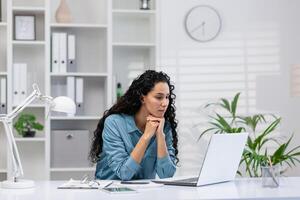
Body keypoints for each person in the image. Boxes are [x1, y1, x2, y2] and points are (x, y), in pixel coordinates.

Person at [89, 70, 179, 180]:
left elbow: (167, 175)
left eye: (167, 97)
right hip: (110, 191)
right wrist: (146, 136)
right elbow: (124, 173)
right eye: (159, 97)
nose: (165, 103)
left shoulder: (164, 127)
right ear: (142, 98)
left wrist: (160, 136)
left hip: (143, 192)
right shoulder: (114, 123)